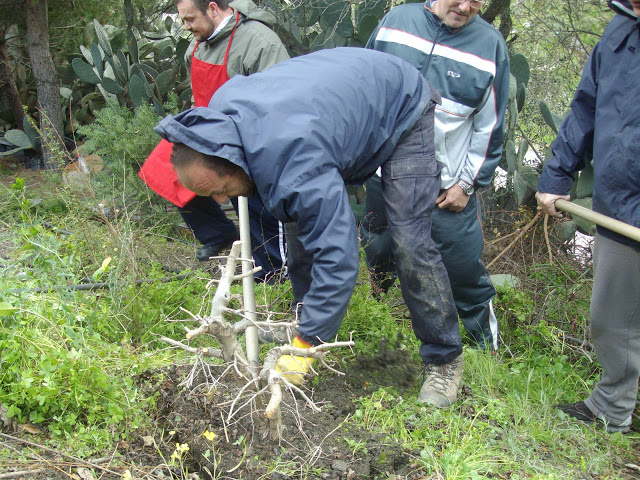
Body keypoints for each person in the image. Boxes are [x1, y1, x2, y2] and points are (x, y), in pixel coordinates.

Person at [155, 47, 465, 406]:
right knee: (300, 218)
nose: (223, 201)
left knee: (409, 238)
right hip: (336, 113)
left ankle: (443, 359)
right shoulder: (221, 118)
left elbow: (338, 255)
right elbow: (301, 215)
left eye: (222, 190)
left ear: (234, 161)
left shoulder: (294, 161)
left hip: (398, 102)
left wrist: (307, 344)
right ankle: (306, 324)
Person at [362, 0, 510, 352]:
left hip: (444, 188)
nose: (465, 6)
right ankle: (378, 319)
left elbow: (490, 126)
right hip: (383, 174)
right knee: (378, 246)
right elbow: (362, 82)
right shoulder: (397, 21)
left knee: (461, 269)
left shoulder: (490, 46)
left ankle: (485, 353)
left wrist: (466, 184)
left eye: (477, 1)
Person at [536, 0, 640, 434]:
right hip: (621, 204)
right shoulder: (618, 32)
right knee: (612, 317)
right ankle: (613, 408)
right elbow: (585, 107)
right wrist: (558, 173)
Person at [138, 0, 288, 281]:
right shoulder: (198, 43)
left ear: (213, 8)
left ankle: (273, 271)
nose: (186, 26)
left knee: (256, 198)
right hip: (209, 127)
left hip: (247, 134)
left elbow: (279, 99)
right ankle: (219, 233)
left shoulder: (258, 40)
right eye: (183, 20)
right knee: (164, 170)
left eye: (190, 19)